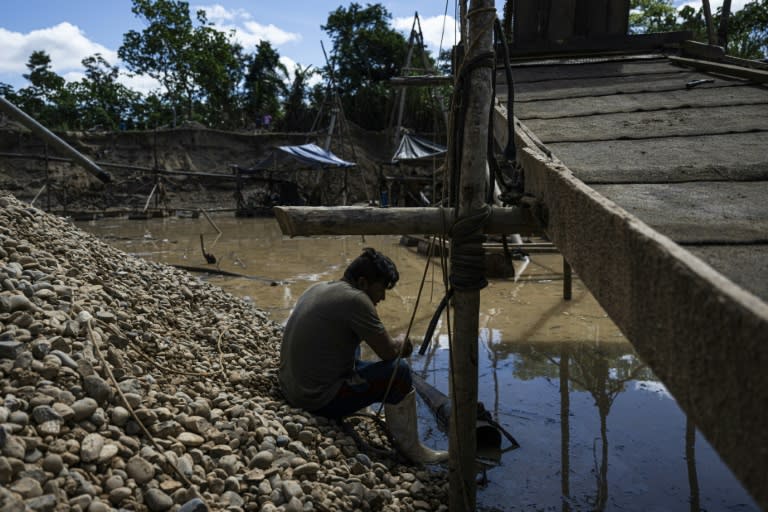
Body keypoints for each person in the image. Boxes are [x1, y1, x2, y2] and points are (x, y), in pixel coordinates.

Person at [279, 247, 448, 464]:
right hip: (314, 399)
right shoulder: (356, 299)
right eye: (382, 289)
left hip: (289, 386)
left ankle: (362, 406)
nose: (383, 297)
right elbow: (388, 352)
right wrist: (401, 343)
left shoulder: (319, 287)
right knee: (400, 371)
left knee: (351, 337)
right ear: (362, 283)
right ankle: (413, 449)